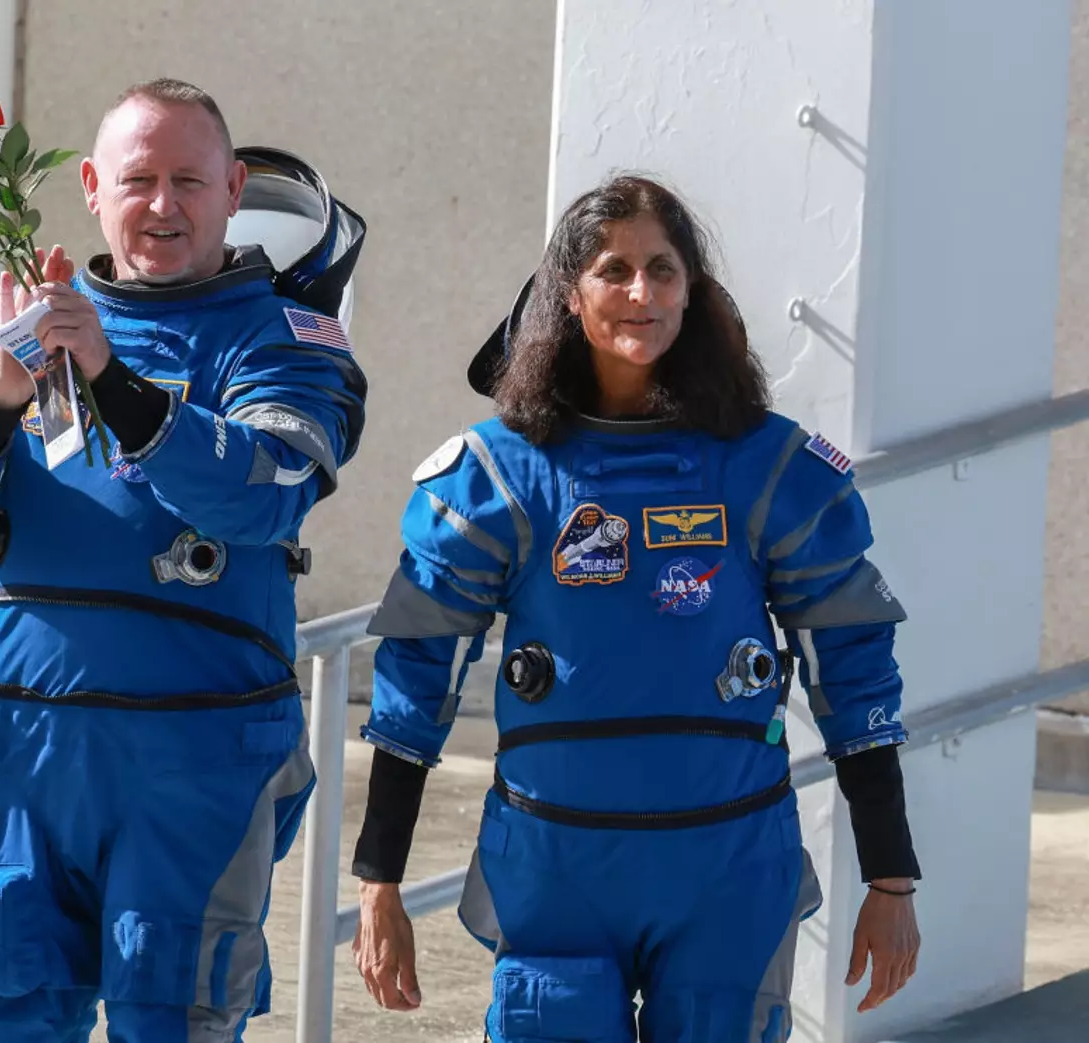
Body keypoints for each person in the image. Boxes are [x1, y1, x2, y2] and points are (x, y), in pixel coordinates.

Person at [349, 174, 920, 1042]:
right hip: (555, 877)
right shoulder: (496, 472)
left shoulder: (770, 468)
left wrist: (891, 878)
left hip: (726, 870)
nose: (641, 293)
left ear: (694, 291)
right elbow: (412, 685)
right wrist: (378, 882)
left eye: (663, 269)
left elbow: (855, 669)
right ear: (569, 295)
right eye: (614, 270)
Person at [0, 79, 367, 1043]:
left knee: (172, 1014)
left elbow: (266, 488)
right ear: (95, 188)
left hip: (199, 760)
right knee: (14, 1007)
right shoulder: (13, 321)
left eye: (189, 179)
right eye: (138, 178)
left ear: (234, 189)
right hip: (27, 756)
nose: (162, 204)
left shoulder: (286, 341)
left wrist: (113, 379)